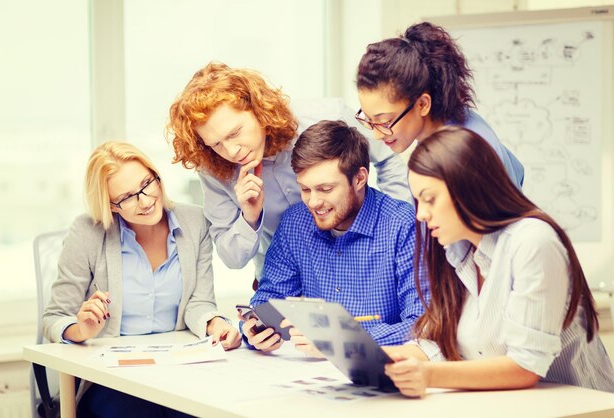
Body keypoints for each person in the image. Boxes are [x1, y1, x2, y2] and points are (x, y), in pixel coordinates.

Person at [382, 126, 614, 397]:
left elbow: (526, 367)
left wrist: (429, 375)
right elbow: (440, 345)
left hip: (582, 407)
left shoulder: (533, 242)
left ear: (468, 187)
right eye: (418, 201)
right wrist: (382, 359)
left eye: (430, 200)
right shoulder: (457, 251)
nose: (421, 214)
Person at [43, 141, 241, 418]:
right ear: (110, 206)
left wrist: (215, 323)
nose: (146, 201)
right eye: (127, 197)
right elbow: (54, 317)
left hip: (179, 370)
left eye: (147, 184)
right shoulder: (87, 232)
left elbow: (199, 302)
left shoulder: (195, 221)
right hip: (113, 379)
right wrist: (81, 329)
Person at [167, 62, 410, 287]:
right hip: (283, 279)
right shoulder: (212, 167)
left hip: (360, 265)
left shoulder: (324, 116)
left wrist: (392, 233)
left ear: (257, 110)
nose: (231, 151)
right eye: (216, 144)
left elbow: (387, 159)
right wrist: (249, 218)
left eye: (235, 133)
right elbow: (232, 258)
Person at [241, 120, 426, 356]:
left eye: (325, 189)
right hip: (306, 374)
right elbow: (270, 299)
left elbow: (424, 322)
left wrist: (343, 341)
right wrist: (253, 329)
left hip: (384, 370)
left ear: (359, 179)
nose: (313, 202)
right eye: (305, 189)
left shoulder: (403, 225)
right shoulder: (295, 222)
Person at [355, 21, 525, 201]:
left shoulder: (466, 151)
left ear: (422, 104)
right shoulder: (443, 133)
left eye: (385, 122)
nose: (377, 135)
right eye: (368, 121)